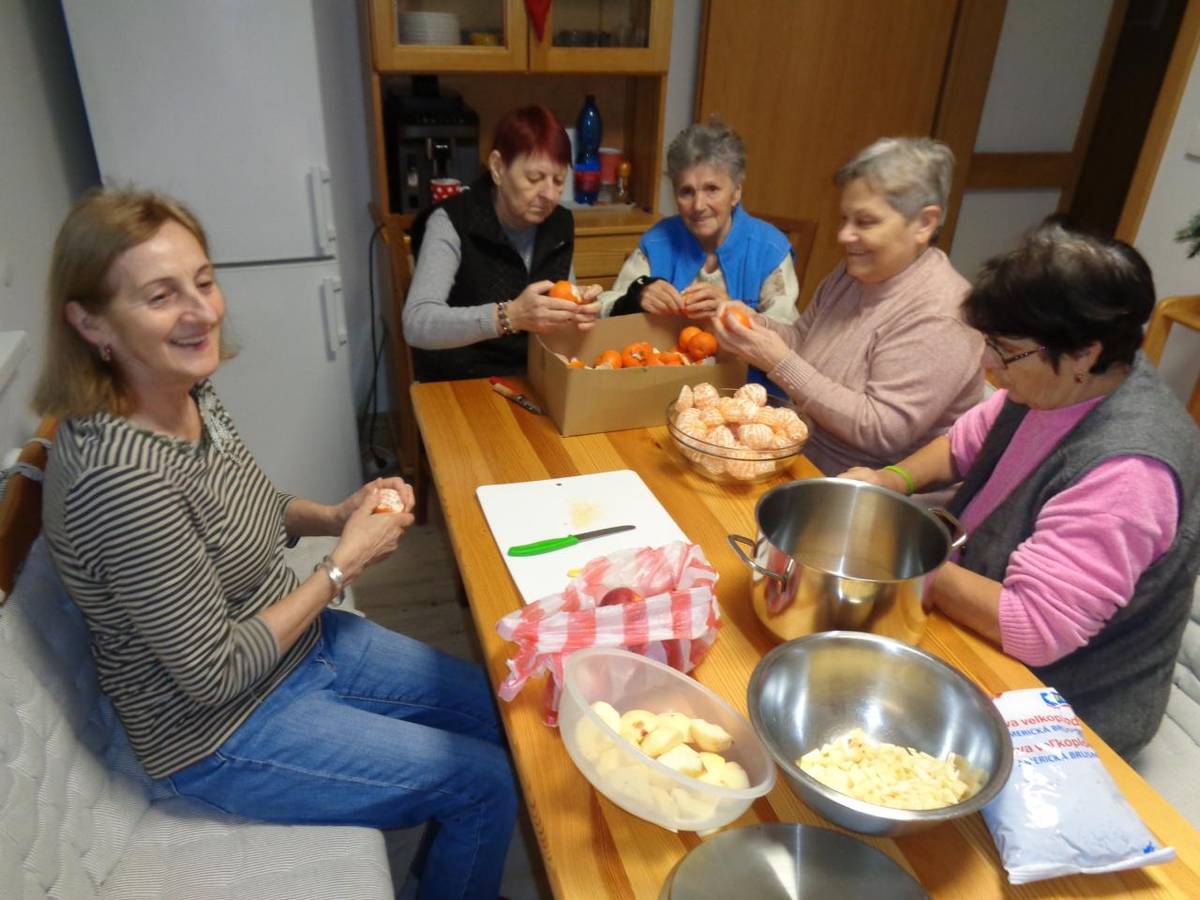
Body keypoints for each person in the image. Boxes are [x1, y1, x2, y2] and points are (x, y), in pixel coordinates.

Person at [35, 188, 518, 899]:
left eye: (204, 282)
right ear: (91, 323)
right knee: (483, 783)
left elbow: (256, 508)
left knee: (499, 710)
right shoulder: (122, 478)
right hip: (221, 732)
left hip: (299, 649)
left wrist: (336, 511)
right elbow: (212, 675)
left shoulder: (188, 391)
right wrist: (341, 564)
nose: (201, 312)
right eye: (161, 296)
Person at [841, 223, 1200, 759]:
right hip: (975, 608)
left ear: (1083, 352)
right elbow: (965, 444)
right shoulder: (1059, 382)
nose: (989, 366)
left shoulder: (1130, 470)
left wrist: (910, 561)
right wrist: (891, 481)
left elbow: (1033, 628)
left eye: (1003, 351)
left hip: (1065, 705)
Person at [711, 137, 983, 475]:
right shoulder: (854, 273)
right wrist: (756, 327)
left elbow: (880, 430)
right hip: (802, 456)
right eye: (845, 219)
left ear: (924, 224)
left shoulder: (941, 314)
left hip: (867, 495)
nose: (843, 236)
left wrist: (777, 360)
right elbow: (804, 341)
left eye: (865, 222)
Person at [403, 104, 601, 382]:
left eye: (559, 181)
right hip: (461, 380)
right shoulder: (452, 222)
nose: (549, 195)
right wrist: (509, 316)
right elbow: (417, 323)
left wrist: (582, 311)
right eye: (534, 178)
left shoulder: (559, 224)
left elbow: (563, 304)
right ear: (497, 168)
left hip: (534, 376)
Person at [603, 118, 799, 328]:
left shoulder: (769, 248)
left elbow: (788, 332)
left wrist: (733, 313)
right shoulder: (657, 241)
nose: (698, 206)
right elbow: (606, 309)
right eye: (686, 192)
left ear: (736, 192)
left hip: (742, 361)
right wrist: (637, 296)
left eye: (712, 189)